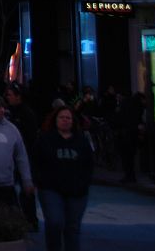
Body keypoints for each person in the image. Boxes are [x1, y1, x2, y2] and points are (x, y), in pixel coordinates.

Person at [32, 106, 94, 251]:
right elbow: (36, 160)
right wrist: (38, 180)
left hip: (77, 191)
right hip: (51, 188)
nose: (65, 120)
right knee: (55, 221)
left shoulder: (81, 141)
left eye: (68, 118)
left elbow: (89, 163)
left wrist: (84, 182)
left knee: (72, 227)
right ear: (55, 120)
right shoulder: (46, 139)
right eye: (62, 117)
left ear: (73, 121)